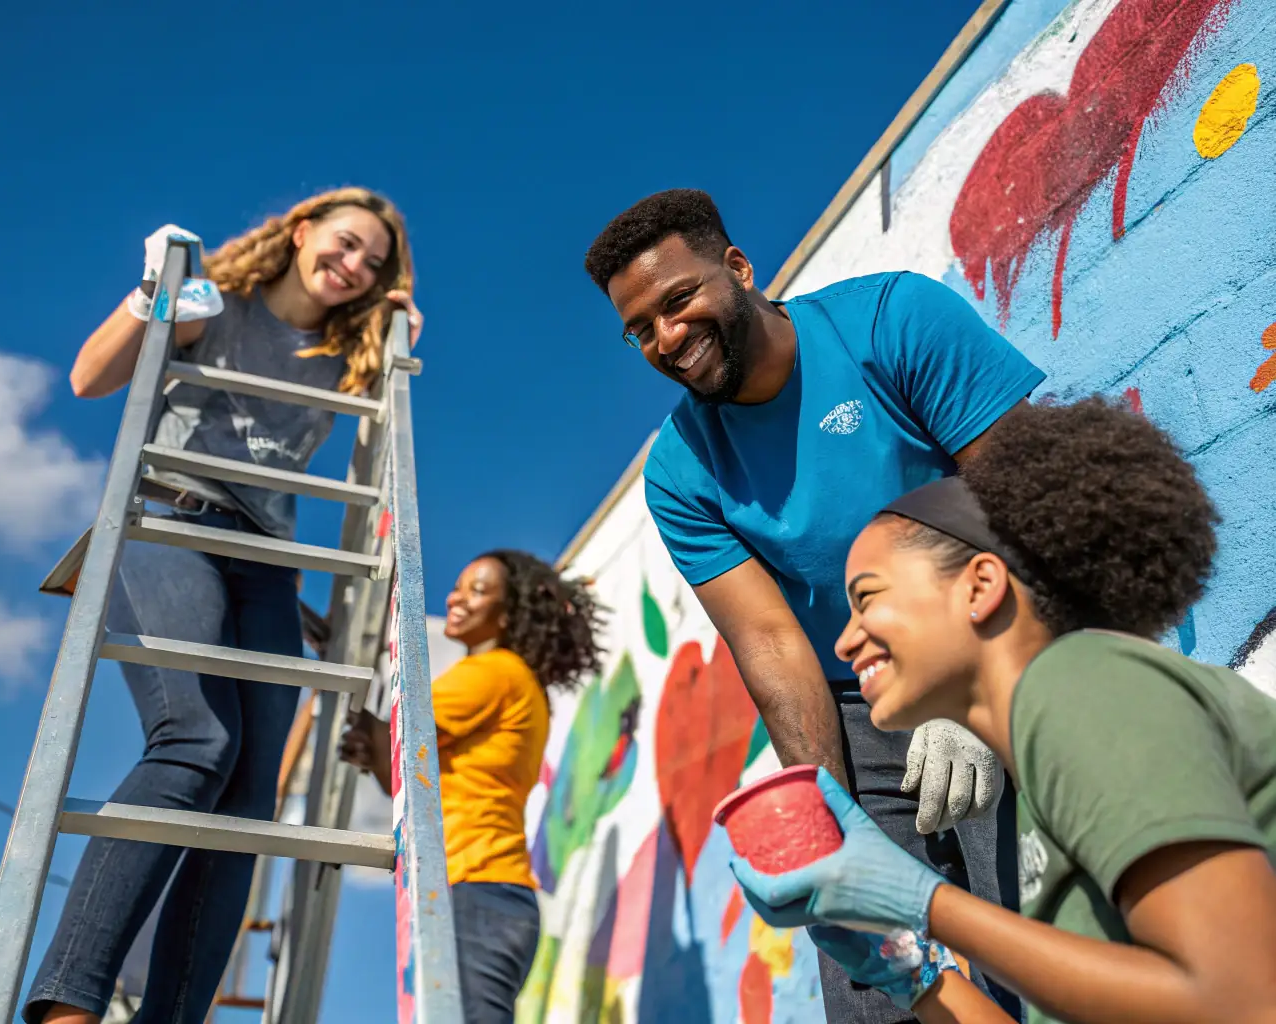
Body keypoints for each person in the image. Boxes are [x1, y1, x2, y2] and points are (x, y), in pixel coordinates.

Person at [583, 188, 1037, 1018]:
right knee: (876, 974)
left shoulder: (893, 321)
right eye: (639, 329)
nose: (665, 339)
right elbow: (770, 644)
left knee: (1031, 938)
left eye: (677, 301)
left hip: (994, 640)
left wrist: (975, 686)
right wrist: (827, 820)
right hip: (855, 703)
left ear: (738, 268)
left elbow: (1020, 493)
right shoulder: (679, 471)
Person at [730, 397, 1276, 1023]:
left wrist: (926, 899)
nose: (844, 641)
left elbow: (1239, 999)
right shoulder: (1040, 803)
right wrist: (908, 966)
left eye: (868, 599)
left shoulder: (1084, 682)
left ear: (981, 587)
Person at [26, 187, 424, 1024]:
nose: (353, 268)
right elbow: (90, 378)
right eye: (346, 244)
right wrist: (154, 294)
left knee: (248, 801)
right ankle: (70, 1004)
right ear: (302, 229)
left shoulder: (344, 354)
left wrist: (396, 342)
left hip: (266, 564)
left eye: (373, 263)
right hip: (171, 519)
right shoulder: (220, 306)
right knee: (197, 740)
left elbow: (378, 433)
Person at [340, 550, 605, 1024]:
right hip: (486, 895)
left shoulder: (493, 673)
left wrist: (353, 702)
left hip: (476, 889)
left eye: (478, 591)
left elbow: (404, 734)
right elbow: (402, 776)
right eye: (459, 586)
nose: (458, 598)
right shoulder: (515, 682)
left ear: (506, 615)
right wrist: (373, 742)